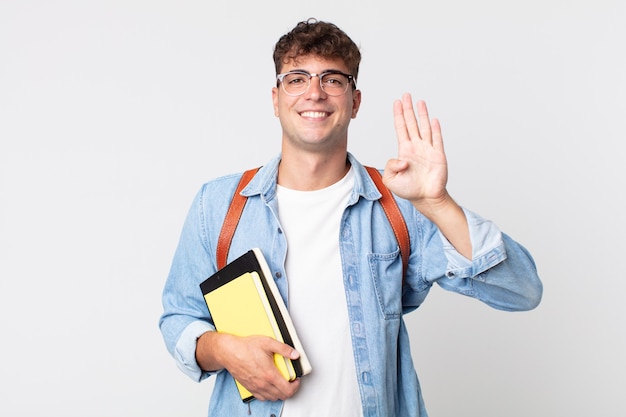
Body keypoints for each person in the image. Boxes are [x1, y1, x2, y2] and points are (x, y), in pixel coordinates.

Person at [159, 18, 543, 417]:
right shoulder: (219, 205)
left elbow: (522, 291)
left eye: (333, 80)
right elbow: (179, 318)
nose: (314, 93)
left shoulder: (400, 206)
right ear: (275, 99)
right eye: (297, 79)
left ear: (355, 101)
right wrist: (223, 349)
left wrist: (438, 202)